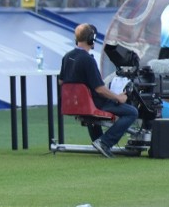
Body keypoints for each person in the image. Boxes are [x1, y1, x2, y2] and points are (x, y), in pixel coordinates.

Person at [59, 23, 139, 158]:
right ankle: (105, 142)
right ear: (92, 39)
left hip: (76, 103)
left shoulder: (67, 57)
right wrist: (118, 98)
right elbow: (100, 89)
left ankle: (99, 141)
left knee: (96, 113)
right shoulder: (88, 60)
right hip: (94, 103)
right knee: (132, 112)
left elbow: (61, 81)